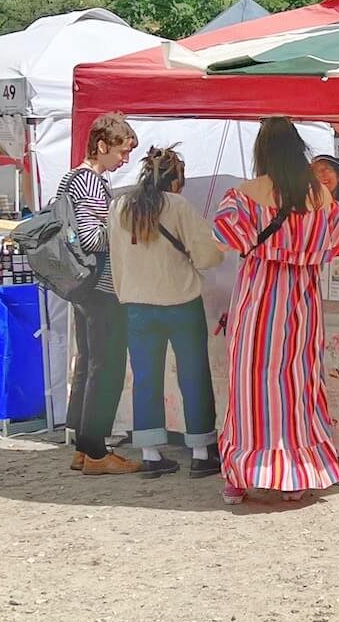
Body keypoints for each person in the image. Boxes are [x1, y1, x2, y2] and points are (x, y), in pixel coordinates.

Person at [213, 118, 339, 506]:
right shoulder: (321, 198)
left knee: (250, 387)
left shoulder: (245, 194)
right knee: (298, 386)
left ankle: (241, 476)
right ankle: (295, 475)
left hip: (258, 299)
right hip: (303, 302)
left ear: (263, 151)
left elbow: (225, 238)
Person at [109, 147, 224, 479]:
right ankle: (202, 452)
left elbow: (115, 260)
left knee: (145, 378)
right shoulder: (178, 206)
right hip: (180, 302)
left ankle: (150, 453)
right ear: (176, 180)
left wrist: (125, 294)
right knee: (193, 375)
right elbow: (206, 256)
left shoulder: (119, 207)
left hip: (136, 305)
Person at [63, 113, 142, 476]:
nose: (124, 161)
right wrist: (125, 227)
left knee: (88, 366)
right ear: (101, 145)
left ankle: (83, 447)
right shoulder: (93, 185)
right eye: (121, 152)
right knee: (107, 368)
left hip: (80, 286)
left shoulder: (70, 179)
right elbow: (93, 238)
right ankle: (96, 452)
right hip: (102, 287)